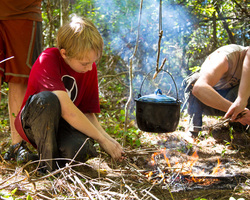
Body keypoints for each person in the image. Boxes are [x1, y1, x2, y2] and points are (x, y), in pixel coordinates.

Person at [14, 16, 124, 172]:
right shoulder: (48, 59)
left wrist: (108, 139)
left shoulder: (88, 69)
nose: (90, 68)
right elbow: (67, 110)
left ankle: (39, 159)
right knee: (48, 99)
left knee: (81, 150)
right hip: (34, 122)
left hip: (63, 125)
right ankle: (48, 168)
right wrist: (101, 140)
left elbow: (86, 113)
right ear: (64, 54)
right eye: (85, 63)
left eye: (92, 62)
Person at [0, 0, 43, 163]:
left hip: (24, 10)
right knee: (20, 79)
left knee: (20, 78)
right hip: (24, 11)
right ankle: (17, 147)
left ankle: (17, 147)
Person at [184, 44, 250, 136]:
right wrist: (239, 112)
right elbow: (199, 88)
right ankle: (193, 130)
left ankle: (239, 131)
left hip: (230, 102)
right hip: (207, 101)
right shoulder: (227, 57)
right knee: (194, 80)